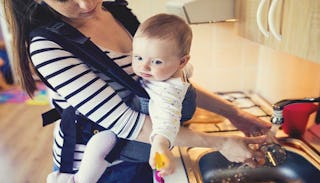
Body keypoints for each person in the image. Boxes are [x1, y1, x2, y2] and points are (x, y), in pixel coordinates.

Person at [4, 0, 271, 182]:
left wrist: (233, 113)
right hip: (100, 168)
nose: (86, 4)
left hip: (145, 149)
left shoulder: (117, 12)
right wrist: (221, 143)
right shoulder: (48, 45)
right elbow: (128, 124)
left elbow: (163, 82)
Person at [47, 13, 195, 183]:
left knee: (101, 142)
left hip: (140, 138)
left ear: (182, 61)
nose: (143, 66)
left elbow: (166, 118)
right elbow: (187, 72)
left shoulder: (167, 90)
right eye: (138, 57)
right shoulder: (176, 71)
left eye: (157, 62)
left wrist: (160, 144)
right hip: (139, 138)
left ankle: (79, 180)